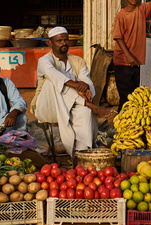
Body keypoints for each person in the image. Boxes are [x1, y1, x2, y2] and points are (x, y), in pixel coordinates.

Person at [34, 26, 114, 157]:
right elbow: (52, 74)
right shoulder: (45, 60)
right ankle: (91, 105)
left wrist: (85, 87)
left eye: (65, 40)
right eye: (59, 41)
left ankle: (82, 154)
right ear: (50, 43)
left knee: (86, 112)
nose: (64, 43)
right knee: (52, 81)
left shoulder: (78, 61)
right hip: (49, 107)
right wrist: (76, 85)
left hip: (73, 106)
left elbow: (86, 81)